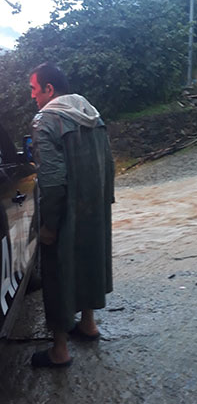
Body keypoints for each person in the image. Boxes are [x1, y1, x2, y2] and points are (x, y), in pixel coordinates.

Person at [28, 63, 114, 368]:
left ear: (49, 90)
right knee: (90, 258)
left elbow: (51, 180)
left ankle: (60, 350)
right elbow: (109, 163)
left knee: (56, 272)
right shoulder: (90, 112)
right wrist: (107, 202)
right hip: (94, 207)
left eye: (34, 90)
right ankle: (88, 324)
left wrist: (49, 225)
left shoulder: (46, 120)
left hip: (64, 211)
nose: (33, 97)